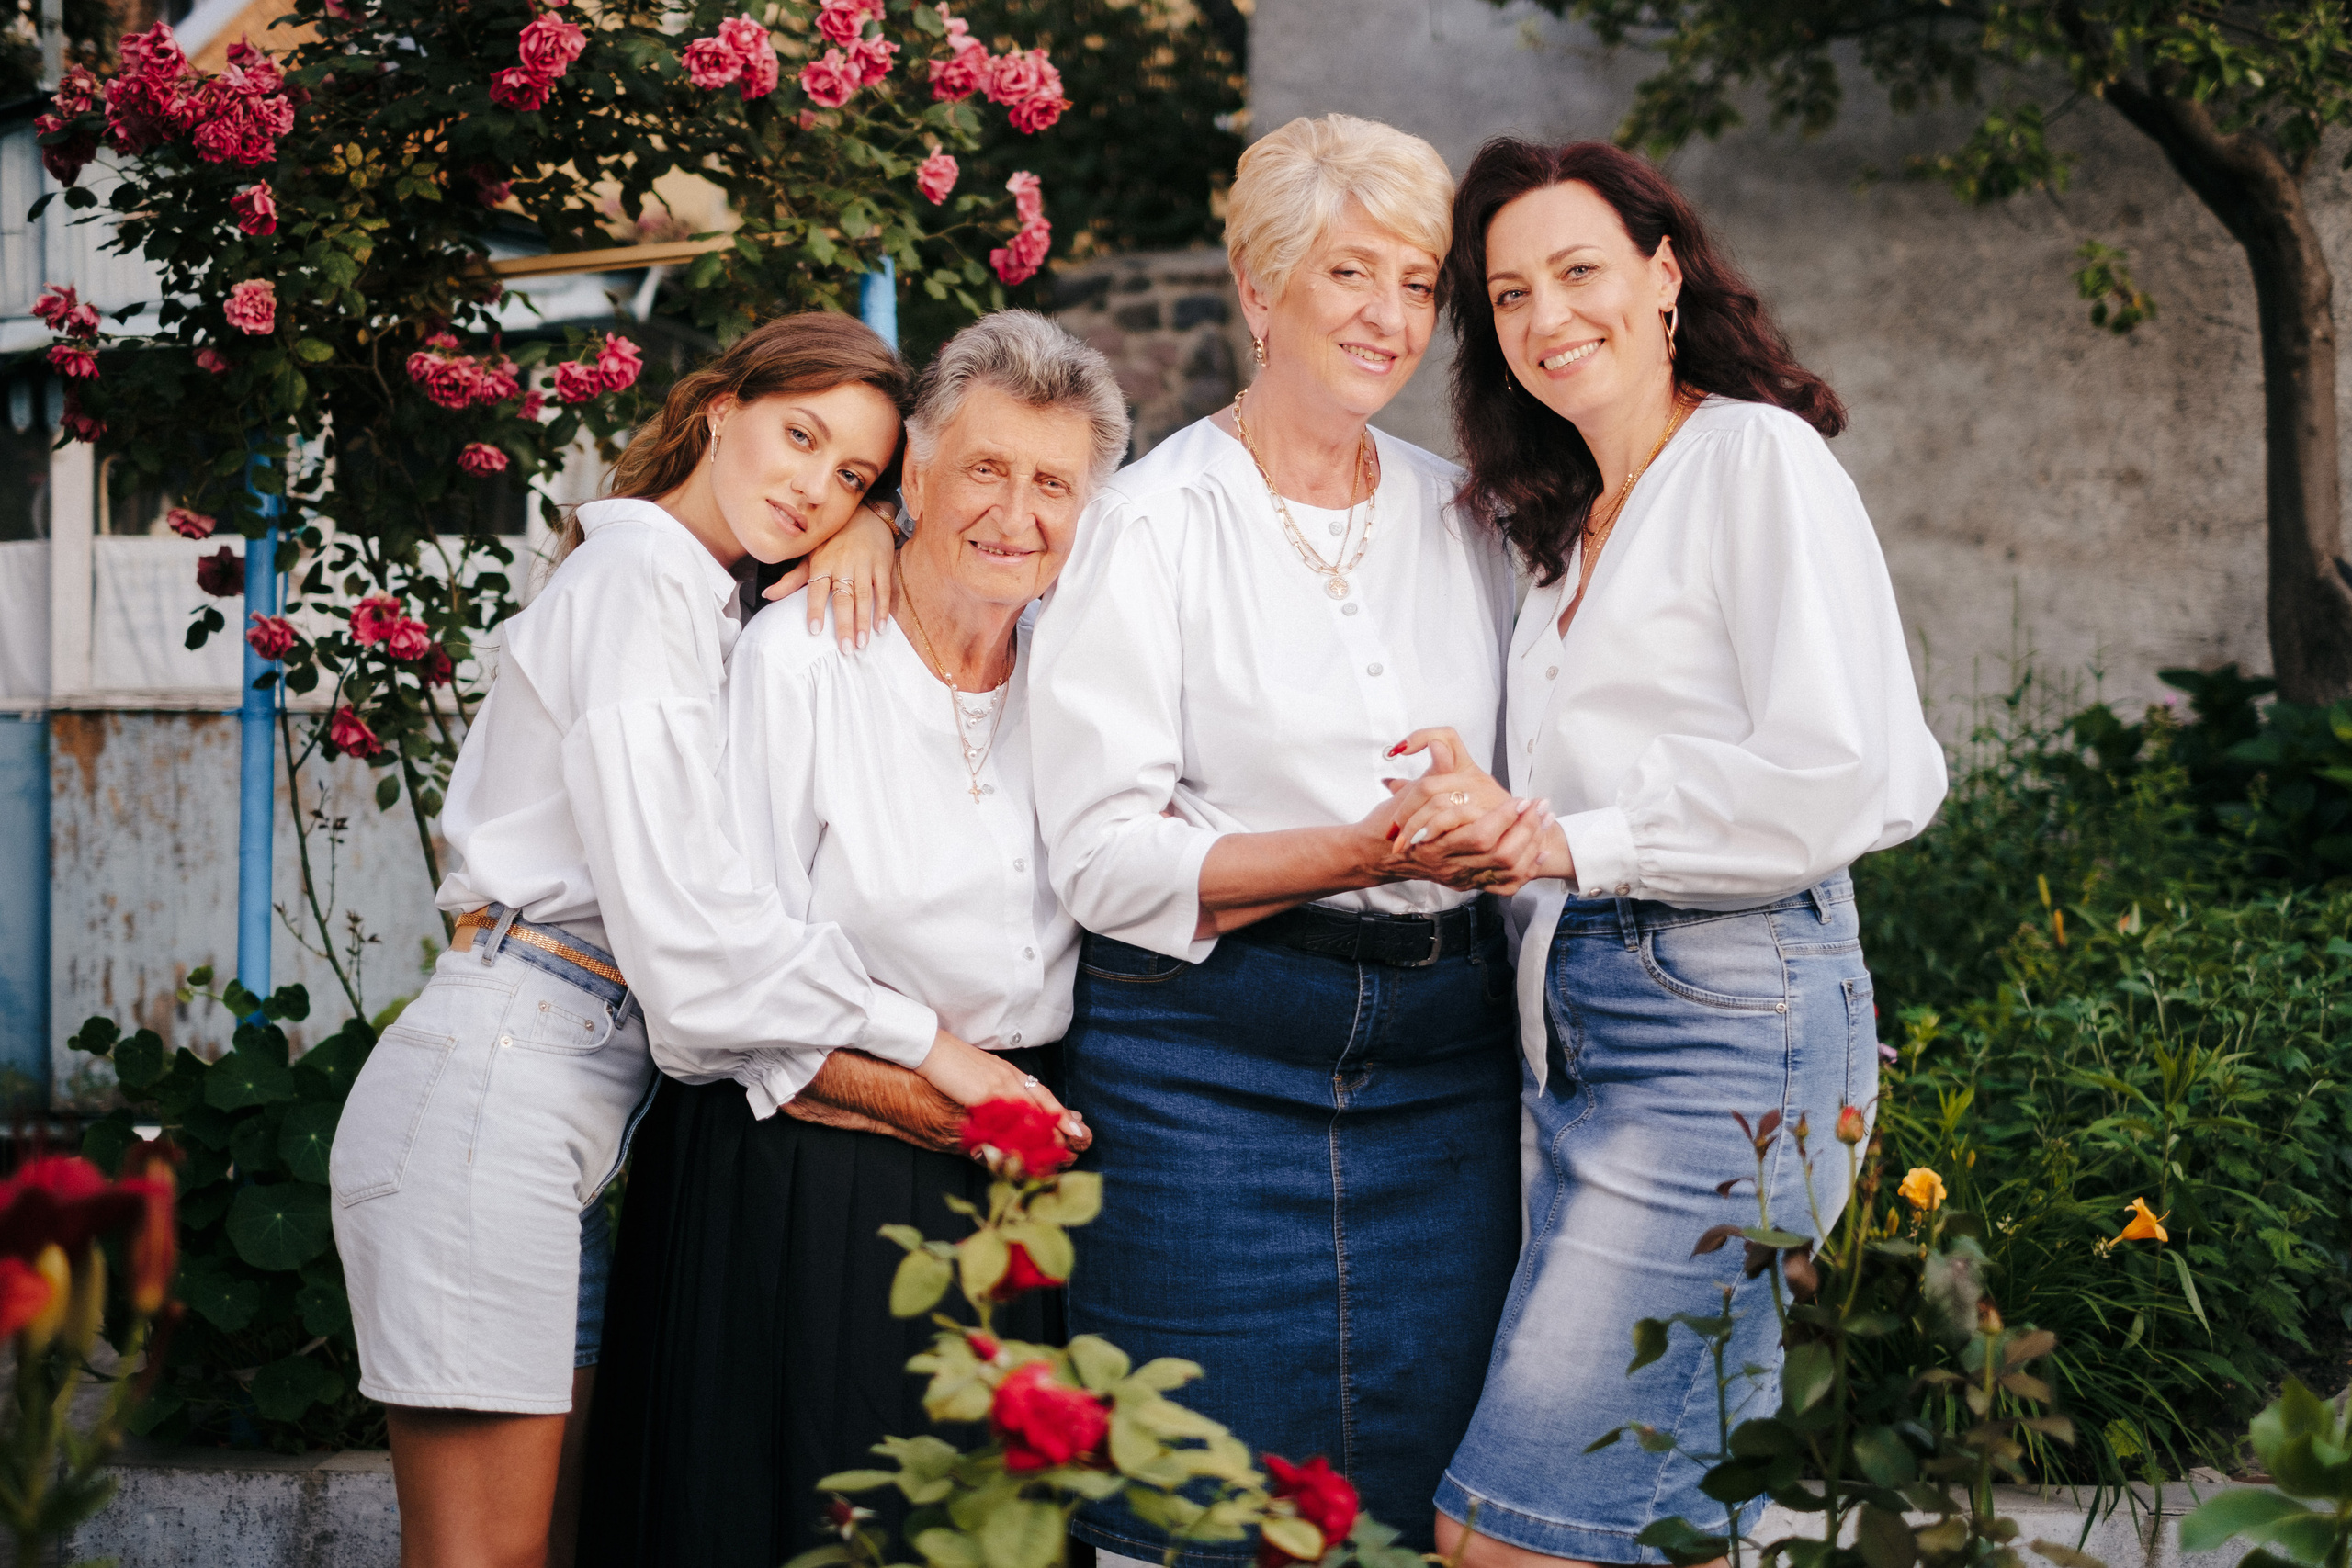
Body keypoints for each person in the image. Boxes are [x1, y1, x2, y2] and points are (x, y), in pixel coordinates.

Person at [330, 312, 1059, 1568]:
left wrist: (884, 528)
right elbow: (698, 948)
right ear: (718, 406)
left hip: (561, 1100)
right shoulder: (638, 587)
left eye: (849, 477)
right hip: (497, 1081)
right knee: (478, 1560)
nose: (810, 486)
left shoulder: (699, 590)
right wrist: (933, 1052)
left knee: (545, 1548)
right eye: (798, 436)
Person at [1403, 140, 1949, 1568]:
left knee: (1509, 1536)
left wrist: (1567, 837)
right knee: (1640, 1522)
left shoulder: (1754, 458)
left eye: (1577, 271)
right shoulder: (1563, 531)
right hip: (1586, 1027)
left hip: (1731, 1015)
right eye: (1507, 294)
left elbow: (1851, 769)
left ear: (1663, 275)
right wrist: (1501, 806)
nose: (1543, 317)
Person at [1027, 115, 1546, 1565]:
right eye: (1350, 275)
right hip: (1204, 1067)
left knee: (1426, 1498)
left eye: (1417, 281)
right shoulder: (1150, 527)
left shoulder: (1473, 517)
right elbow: (1106, 860)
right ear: (1261, 293)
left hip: (1443, 1073)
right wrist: (1363, 846)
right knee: (1201, 1514)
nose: (1391, 317)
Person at [574, 311, 1129, 1568]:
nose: (1016, 512)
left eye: (1054, 484)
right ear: (917, 478)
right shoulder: (801, 661)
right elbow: (726, 988)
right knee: (803, 1522)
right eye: (983, 469)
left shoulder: (1085, 678)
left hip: (1016, 1165)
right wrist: (940, 1105)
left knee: (989, 1533)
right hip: (804, 1167)